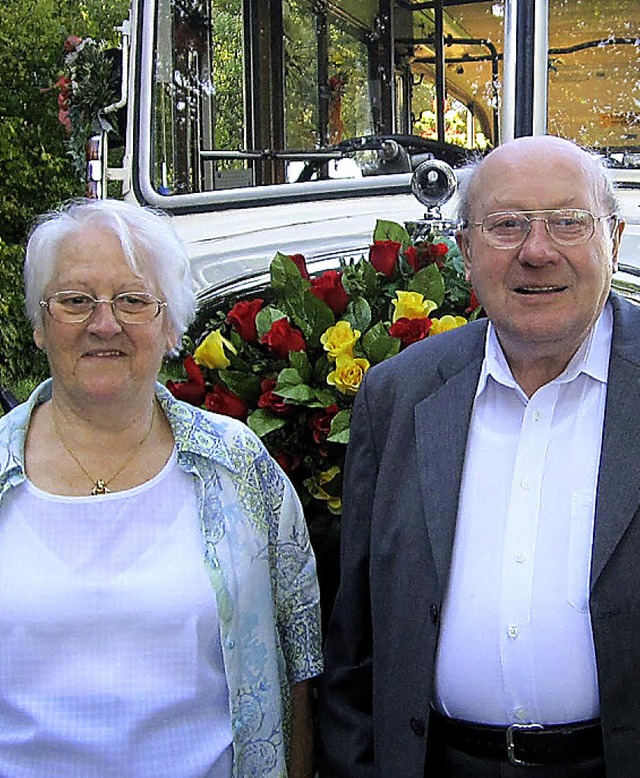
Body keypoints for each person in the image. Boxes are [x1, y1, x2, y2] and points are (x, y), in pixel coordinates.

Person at [318, 135, 639, 777]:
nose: (537, 251)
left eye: (568, 223)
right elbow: (354, 643)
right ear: (465, 251)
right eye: (506, 225)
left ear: (615, 238)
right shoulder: (398, 396)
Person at [0, 198, 322, 777]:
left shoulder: (239, 467)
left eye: (133, 301)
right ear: (39, 325)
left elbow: (296, 663)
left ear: (171, 323)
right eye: (75, 301)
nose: (104, 324)